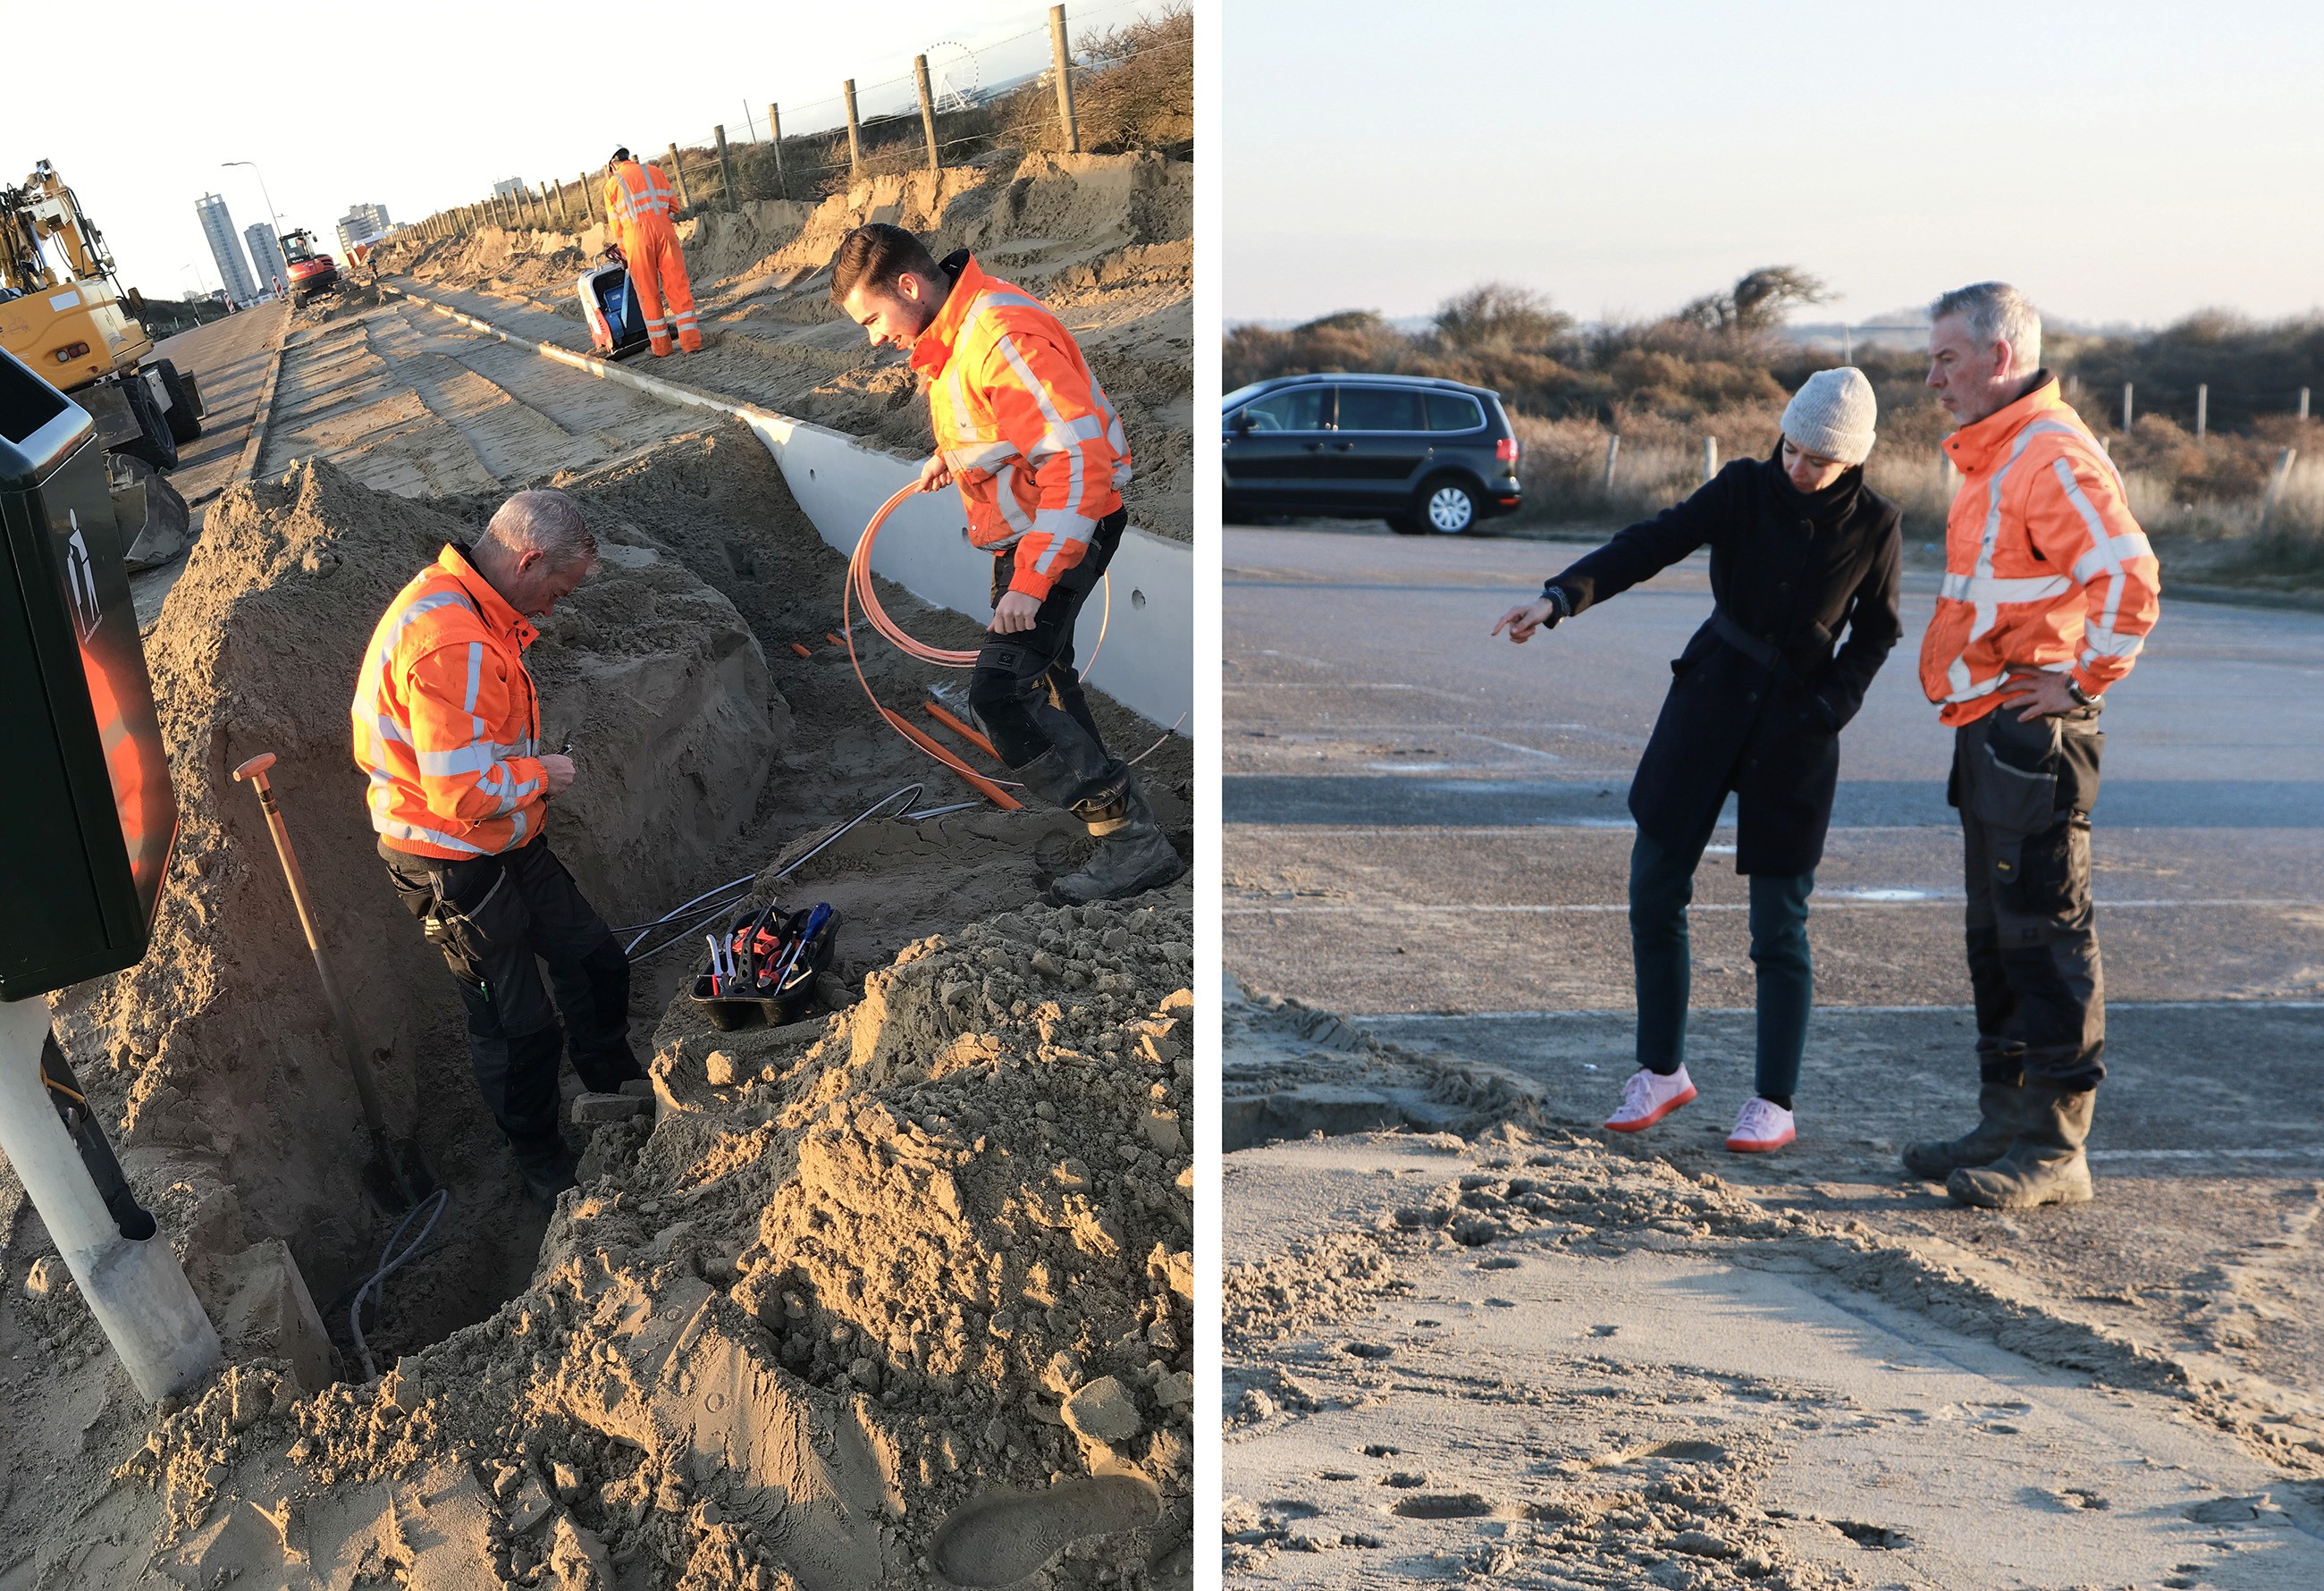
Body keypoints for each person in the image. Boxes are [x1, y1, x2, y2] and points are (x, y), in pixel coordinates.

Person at [1493, 369, 1902, 1154]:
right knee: (1654, 889)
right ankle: (1660, 1073)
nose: (1799, 466)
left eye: (1819, 458)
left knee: (1779, 925)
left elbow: (1879, 631)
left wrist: (1830, 707)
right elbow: (1650, 543)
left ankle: (1774, 1102)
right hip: (1709, 699)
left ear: (1852, 459)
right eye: (1794, 445)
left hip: (1799, 728)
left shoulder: (1877, 524)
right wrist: (1558, 600)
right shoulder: (1743, 488)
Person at [830, 222, 1183, 904]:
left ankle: (1133, 846)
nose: (874, 338)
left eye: (873, 318)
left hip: (1060, 534)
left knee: (1000, 696)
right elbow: (1009, 429)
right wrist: (955, 458)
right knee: (1046, 682)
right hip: (1035, 534)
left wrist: (1031, 580)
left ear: (908, 285)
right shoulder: (959, 332)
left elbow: (1079, 465)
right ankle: (1127, 835)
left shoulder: (999, 337)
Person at [1902, 282, 2161, 1210]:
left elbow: (2128, 579)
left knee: (2044, 936)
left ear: (1997, 357)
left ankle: (2054, 1147)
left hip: (2033, 733)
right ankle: (2004, 1120)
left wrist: (2080, 680)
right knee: (1994, 936)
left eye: (1944, 358)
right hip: (1989, 727)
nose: (1931, 377)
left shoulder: (2045, 454)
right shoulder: (1997, 451)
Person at [350, 490, 642, 1208]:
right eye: (556, 588)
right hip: (448, 857)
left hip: (505, 838)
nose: (553, 607)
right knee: (518, 1026)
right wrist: (543, 773)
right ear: (528, 558)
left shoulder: (473, 605)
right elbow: (459, 792)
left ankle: (616, 1087)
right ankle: (540, 1158)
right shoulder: (454, 640)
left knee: (593, 959)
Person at [602, 147, 701, 356]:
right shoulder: (654, 172)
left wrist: (623, 250)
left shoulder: (612, 186)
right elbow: (674, 207)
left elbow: (616, 226)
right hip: (665, 232)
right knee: (677, 285)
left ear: (612, 165)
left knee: (648, 293)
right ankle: (691, 342)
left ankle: (661, 347)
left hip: (636, 239)